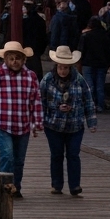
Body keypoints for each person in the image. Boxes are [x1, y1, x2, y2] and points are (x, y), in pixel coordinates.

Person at [0, 41, 43, 198]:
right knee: (7, 154)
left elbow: (36, 100)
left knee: (19, 159)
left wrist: (37, 123)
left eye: (18, 58)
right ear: (5, 60)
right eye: (12, 58)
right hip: (1, 123)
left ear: (24, 60)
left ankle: (16, 187)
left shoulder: (31, 76)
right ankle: (3, 188)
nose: (15, 62)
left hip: (23, 125)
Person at [41, 45, 97, 196]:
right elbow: (40, 101)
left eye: (66, 68)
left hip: (75, 124)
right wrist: (40, 120)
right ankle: (57, 185)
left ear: (70, 67)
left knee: (73, 154)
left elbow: (88, 100)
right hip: (53, 124)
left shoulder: (79, 80)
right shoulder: (48, 80)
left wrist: (91, 122)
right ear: (56, 66)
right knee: (57, 154)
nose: (63, 71)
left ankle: (75, 186)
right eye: (60, 67)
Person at [77, 17, 110, 113]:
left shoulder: (85, 36)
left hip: (88, 64)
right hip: (102, 64)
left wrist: (79, 64)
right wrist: (108, 63)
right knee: (100, 86)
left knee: (89, 86)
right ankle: (100, 106)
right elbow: (109, 52)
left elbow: (81, 51)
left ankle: (90, 106)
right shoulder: (105, 36)